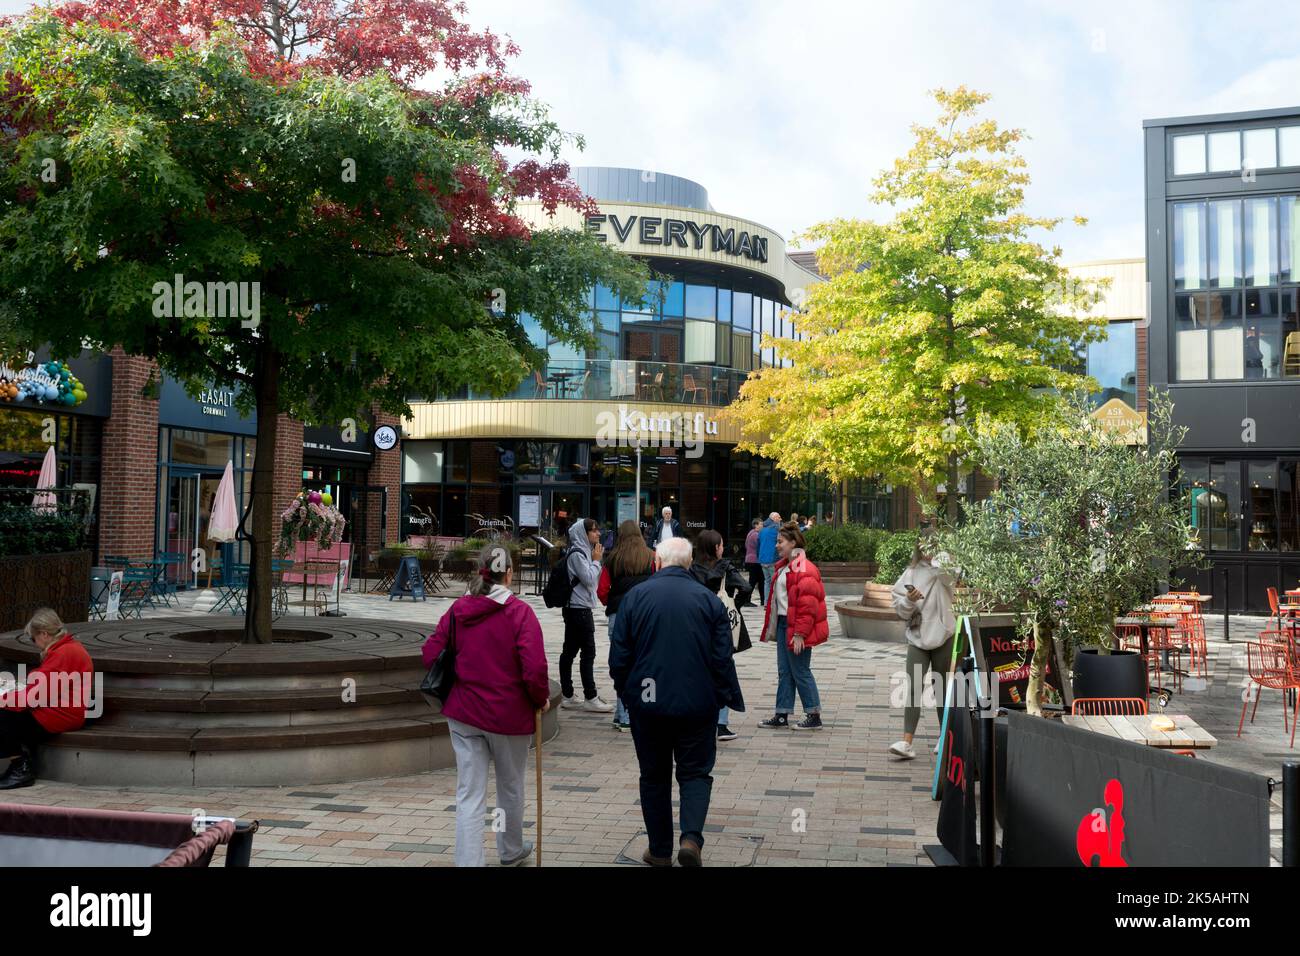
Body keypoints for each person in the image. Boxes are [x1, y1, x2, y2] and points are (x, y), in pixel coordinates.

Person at [610, 538, 744, 866]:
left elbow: (619, 657)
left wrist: (629, 694)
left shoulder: (635, 597)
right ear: (687, 564)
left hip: (648, 701)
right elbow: (722, 657)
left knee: (654, 775)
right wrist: (721, 694)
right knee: (695, 773)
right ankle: (691, 839)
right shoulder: (708, 601)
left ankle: (658, 850)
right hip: (697, 702)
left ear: (657, 560)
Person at [423, 545, 550, 866]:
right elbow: (534, 669)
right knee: (510, 787)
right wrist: (540, 699)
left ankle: (469, 861)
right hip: (508, 717)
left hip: (464, 713)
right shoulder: (520, 613)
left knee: (469, 793)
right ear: (509, 574)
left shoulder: (459, 609)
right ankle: (510, 849)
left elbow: (429, 653)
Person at [0, 609, 95, 789]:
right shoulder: (70, 648)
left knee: (3, 716)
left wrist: (4, 698)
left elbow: (36, 695)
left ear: (44, 634)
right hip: (62, 710)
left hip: (59, 715)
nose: (34, 643)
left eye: (33, 638)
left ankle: (21, 767)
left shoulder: (62, 654)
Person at [888, 531, 957, 760]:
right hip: (918, 636)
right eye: (924, 545)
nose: (927, 550)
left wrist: (939, 558)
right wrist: (909, 599)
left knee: (942, 690)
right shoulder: (911, 572)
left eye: (932, 544)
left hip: (944, 636)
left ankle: (944, 737)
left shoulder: (946, 566)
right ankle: (907, 742)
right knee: (913, 687)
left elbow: (950, 579)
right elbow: (899, 605)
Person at [757, 523, 829, 731]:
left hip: (795, 627)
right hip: (783, 625)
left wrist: (800, 633)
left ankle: (814, 715)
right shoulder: (786, 566)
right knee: (785, 672)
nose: (777, 545)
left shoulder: (804, 568)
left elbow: (808, 606)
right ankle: (782, 714)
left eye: (780, 542)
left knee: (800, 671)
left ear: (793, 543)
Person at [689, 530, 753, 741]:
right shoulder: (726, 567)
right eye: (721, 545)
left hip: (697, 626)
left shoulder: (691, 569)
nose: (723, 548)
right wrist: (735, 605)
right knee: (723, 670)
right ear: (716, 548)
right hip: (721, 627)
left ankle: (699, 718)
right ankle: (721, 724)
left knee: (698, 670)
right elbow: (745, 587)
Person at [597, 520, 656, 732]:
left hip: (618, 615)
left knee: (621, 665)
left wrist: (611, 604)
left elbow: (602, 590)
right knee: (643, 663)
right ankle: (633, 713)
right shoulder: (651, 556)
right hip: (644, 615)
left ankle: (622, 715)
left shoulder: (612, 558)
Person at [560, 518, 615, 712]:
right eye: (593, 530)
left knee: (570, 652)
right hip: (579, 610)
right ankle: (590, 696)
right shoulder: (578, 554)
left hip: (576, 608)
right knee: (587, 652)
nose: (598, 533)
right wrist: (596, 561)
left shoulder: (581, 551)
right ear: (584, 534)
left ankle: (567, 694)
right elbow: (590, 579)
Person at [758, 512, 781, 599]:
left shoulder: (762, 530)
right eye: (779, 517)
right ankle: (773, 602)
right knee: (774, 582)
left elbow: (758, 545)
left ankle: (766, 603)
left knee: (767, 582)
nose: (780, 519)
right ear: (774, 519)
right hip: (772, 559)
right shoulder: (777, 529)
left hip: (762, 559)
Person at [743, 518, 764, 603]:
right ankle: (747, 600)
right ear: (756, 525)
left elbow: (746, 545)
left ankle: (762, 600)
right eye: (761, 524)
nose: (762, 526)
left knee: (759, 580)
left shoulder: (750, 533)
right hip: (755, 561)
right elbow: (760, 546)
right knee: (755, 581)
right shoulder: (755, 535)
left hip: (751, 560)